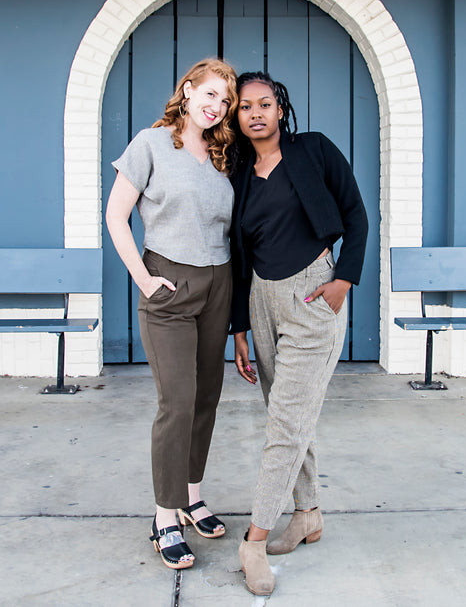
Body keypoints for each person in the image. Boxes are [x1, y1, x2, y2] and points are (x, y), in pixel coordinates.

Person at [229, 72, 367, 595]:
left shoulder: (313, 151)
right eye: (246, 107)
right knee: (288, 415)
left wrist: (343, 282)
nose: (256, 113)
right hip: (261, 300)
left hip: (314, 294)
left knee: (285, 424)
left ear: (281, 110)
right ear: (238, 118)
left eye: (265, 104)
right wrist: (240, 328)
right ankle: (307, 514)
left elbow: (356, 215)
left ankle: (254, 540)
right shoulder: (240, 171)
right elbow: (238, 253)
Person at [104, 58, 238, 570]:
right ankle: (164, 517)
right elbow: (116, 216)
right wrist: (143, 278)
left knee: (206, 397)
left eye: (223, 101)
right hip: (168, 281)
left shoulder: (223, 153)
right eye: (208, 94)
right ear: (186, 89)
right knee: (176, 402)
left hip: (218, 281)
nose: (215, 107)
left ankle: (191, 496)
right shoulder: (151, 143)